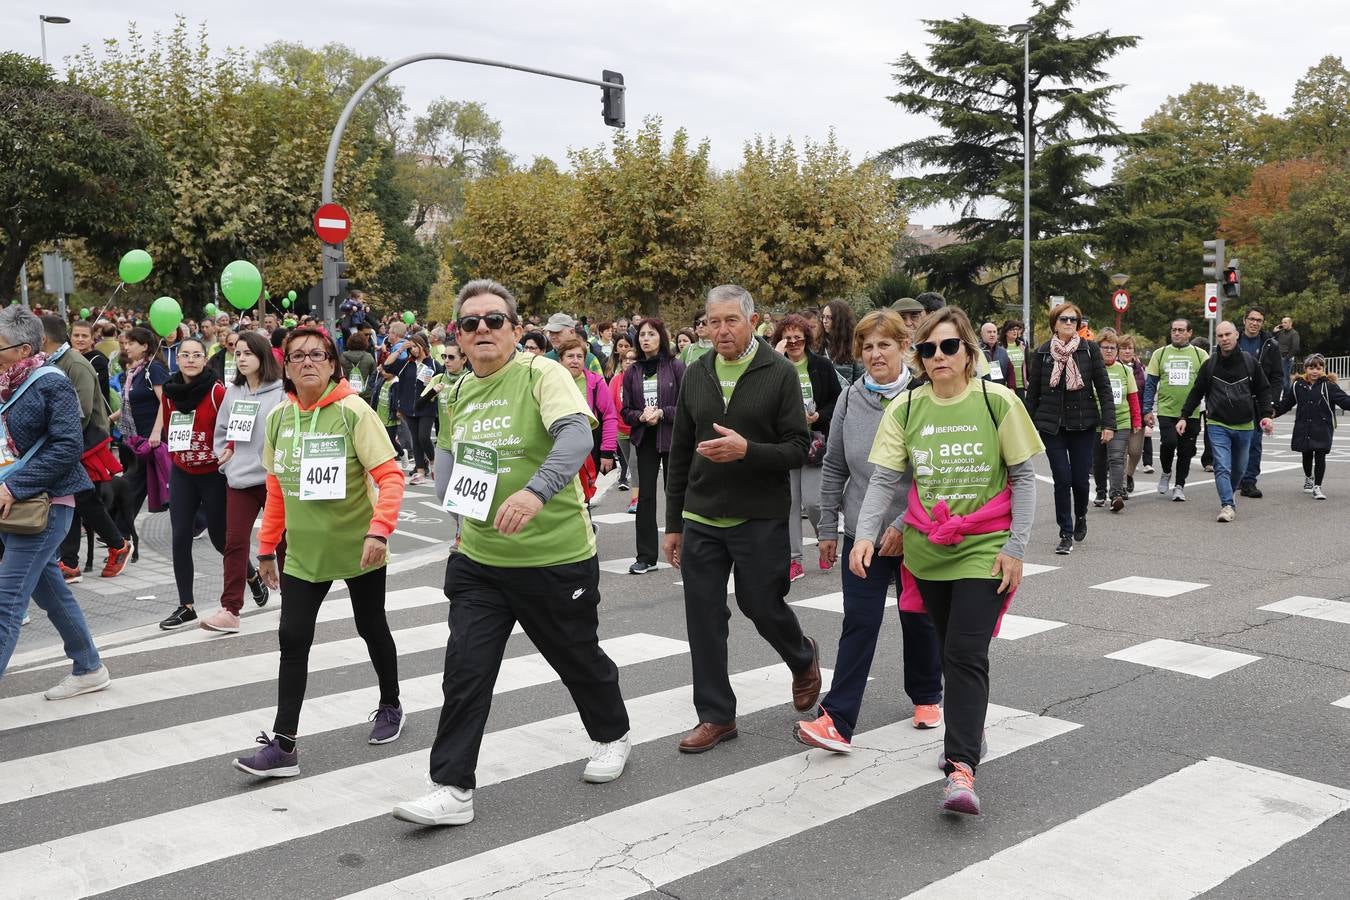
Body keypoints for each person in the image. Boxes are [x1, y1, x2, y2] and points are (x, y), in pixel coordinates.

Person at [393, 280, 632, 826]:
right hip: (480, 562)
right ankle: (452, 787)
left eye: (494, 320)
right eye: (471, 322)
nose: (482, 330)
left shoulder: (540, 373)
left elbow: (576, 439)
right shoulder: (453, 392)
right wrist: (455, 516)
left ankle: (612, 734)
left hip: (554, 557)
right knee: (465, 670)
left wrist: (535, 490)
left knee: (577, 659)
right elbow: (450, 462)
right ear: (457, 333)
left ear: (517, 330)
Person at [850, 305, 1042, 816]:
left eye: (949, 346)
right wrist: (865, 535)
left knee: (963, 652)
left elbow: (1023, 478)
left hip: (984, 545)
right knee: (946, 645)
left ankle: (961, 769)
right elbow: (886, 480)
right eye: (928, 348)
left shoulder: (997, 401)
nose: (938, 356)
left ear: (968, 353)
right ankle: (969, 733)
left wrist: (1015, 547)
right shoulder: (907, 409)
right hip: (927, 551)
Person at [232, 326, 406, 777]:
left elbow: (390, 477)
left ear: (332, 363)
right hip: (304, 555)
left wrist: (379, 531)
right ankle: (284, 745)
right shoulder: (279, 419)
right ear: (285, 368)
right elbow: (276, 490)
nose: (307, 362)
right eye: (297, 356)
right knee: (292, 640)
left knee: (371, 627)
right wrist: (267, 548)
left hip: (359, 548)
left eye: (317, 354)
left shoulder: (353, 412)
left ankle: (391, 704)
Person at [663, 284, 821, 754]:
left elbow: (798, 447)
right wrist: (673, 523)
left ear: (754, 321)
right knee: (704, 617)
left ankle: (802, 654)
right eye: (713, 321)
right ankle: (716, 716)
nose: (722, 330)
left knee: (760, 604)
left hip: (759, 515)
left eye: (731, 320)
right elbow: (679, 453)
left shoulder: (778, 373)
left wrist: (747, 450)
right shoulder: (696, 372)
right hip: (702, 515)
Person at [797, 309, 944, 754]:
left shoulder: (925, 396)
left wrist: (902, 524)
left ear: (904, 347)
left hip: (916, 530)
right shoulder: (850, 398)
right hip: (859, 530)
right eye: (867, 346)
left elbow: (934, 472)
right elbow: (835, 465)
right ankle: (837, 720)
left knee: (918, 619)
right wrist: (827, 526)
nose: (875, 354)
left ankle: (926, 695)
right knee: (859, 622)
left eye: (885, 344)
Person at [0, 305, 108, 694]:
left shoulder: (51, 382)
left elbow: (67, 446)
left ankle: (89, 668)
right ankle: (89, 667)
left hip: (45, 505)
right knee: (49, 590)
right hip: (14, 507)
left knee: (6, 601)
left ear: (23, 349)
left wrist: (14, 487)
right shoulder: (4, 384)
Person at [200, 331, 285, 633]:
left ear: (262, 356)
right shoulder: (233, 392)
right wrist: (225, 457)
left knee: (284, 542)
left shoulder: (282, 392)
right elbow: (222, 432)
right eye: (238, 353)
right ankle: (230, 609)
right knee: (233, 542)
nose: (242, 358)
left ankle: (291, 603)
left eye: (248, 352)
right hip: (239, 479)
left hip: (274, 479)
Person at [42, 317, 133, 582]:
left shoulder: (76, 364)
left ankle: (114, 546)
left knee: (80, 498)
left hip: (83, 442)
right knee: (73, 498)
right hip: (70, 442)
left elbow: (79, 413)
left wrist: (53, 437)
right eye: (76, 335)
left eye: (85, 335)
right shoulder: (57, 361)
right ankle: (72, 561)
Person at [1025, 302, 1113, 555]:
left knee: (1079, 481)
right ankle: (1065, 532)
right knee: (1062, 479)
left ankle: (1081, 516)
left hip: (1083, 425)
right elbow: (1033, 395)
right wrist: (1026, 428)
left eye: (1073, 320)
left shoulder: (1089, 350)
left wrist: (1109, 424)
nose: (1068, 323)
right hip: (1052, 425)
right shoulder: (1042, 352)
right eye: (1063, 319)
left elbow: (1104, 389)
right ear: (1054, 323)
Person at [156, 338, 228, 630]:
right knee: (180, 536)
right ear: (177, 360)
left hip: (213, 473)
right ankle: (186, 605)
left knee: (221, 539)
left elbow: (229, 426)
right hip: (183, 471)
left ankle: (251, 575)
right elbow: (171, 426)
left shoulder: (216, 390)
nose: (190, 360)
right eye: (184, 355)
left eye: (196, 355)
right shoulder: (170, 392)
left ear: (204, 359)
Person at [1177, 320, 1275, 523]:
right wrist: (1184, 416)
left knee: (1239, 468)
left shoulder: (1250, 362)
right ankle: (1227, 505)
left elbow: (1263, 390)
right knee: (1222, 465)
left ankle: (1227, 495)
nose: (1224, 339)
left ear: (1236, 335)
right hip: (1217, 423)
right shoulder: (1210, 364)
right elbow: (1197, 392)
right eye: (1220, 336)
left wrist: (1266, 415)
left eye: (1227, 334)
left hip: (1245, 424)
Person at [772, 313, 842, 580]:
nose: (792, 342)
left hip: (815, 442)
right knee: (790, 503)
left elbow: (837, 400)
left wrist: (819, 416)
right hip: (786, 442)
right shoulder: (775, 367)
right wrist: (776, 356)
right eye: (787, 338)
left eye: (797, 336)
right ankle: (794, 559)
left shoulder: (821, 366)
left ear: (806, 337)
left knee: (813, 502)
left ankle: (825, 541)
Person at [621, 317, 684, 574]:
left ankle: (684, 550)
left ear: (661, 338)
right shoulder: (631, 372)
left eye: (651, 334)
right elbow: (626, 411)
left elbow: (686, 406)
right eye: (642, 335)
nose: (646, 338)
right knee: (644, 497)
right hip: (644, 439)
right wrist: (640, 417)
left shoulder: (676, 366)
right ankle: (645, 556)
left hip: (672, 437)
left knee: (676, 493)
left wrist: (662, 413)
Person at [1143, 319, 1207, 502]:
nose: (1177, 333)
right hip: (1166, 410)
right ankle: (1166, 472)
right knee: (1169, 443)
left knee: (1186, 451)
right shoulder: (1160, 354)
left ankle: (1179, 485)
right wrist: (1147, 409)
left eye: (1181, 330)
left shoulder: (1200, 354)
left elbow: (1208, 382)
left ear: (1189, 333)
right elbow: (1151, 384)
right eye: (1174, 330)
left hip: (1191, 412)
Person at [1272, 354, 1350, 500]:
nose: (1315, 371)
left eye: (1319, 368)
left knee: (1320, 455)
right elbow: (1286, 404)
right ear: (1305, 369)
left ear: (1324, 370)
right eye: (1311, 367)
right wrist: (1270, 414)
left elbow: (1345, 401)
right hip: (1303, 426)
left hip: (1322, 427)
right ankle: (1309, 478)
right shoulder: (1298, 385)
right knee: (1306, 455)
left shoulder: (1329, 386)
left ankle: (1317, 487)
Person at [556, 337, 617, 502]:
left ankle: (586, 525)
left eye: (579, 356)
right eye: (570, 356)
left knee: (584, 495)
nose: (575, 361)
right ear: (560, 359)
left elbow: (610, 416)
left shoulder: (595, 382)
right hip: (558, 445)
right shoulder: (550, 382)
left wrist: (607, 451)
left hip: (590, 446)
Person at [120, 326, 171, 521]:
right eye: (125, 343)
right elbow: (131, 404)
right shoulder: (134, 372)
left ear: (145, 346)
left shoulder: (154, 369)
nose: (126, 347)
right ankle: (120, 528)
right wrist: (109, 419)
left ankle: (119, 529)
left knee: (135, 481)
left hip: (152, 438)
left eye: (131, 343)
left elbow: (165, 402)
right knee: (138, 482)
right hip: (138, 437)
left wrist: (157, 432)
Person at [1235, 306, 1284, 499]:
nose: (1255, 323)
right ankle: (1237, 477)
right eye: (1252, 319)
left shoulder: (1270, 345)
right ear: (1245, 320)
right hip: (1234, 399)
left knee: (1254, 443)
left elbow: (1278, 376)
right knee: (1235, 442)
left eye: (1259, 320)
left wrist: (1272, 403)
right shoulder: (1232, 340)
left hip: (1259, 400)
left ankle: (1249, 482)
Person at [1091, 329, 1140, 512]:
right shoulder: (1092, 370)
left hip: (1121, 421)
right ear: (1099, 349)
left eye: (1113, 348)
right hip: (1097, 422)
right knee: (1099, 460)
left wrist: (1136, 420)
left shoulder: (1125, 370)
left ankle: (1116, 495)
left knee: (1117, 458)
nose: (1109, 351)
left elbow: (1133, 397)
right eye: (1105, 347)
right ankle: (1101, 491)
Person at [385, 333, 439, 485]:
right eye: (412, 347)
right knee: (415, 439)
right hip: (409, 407)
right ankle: (420, 472)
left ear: (423, 346)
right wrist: (401, 348)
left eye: (416, 346)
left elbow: (442, 380)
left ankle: (434, 462)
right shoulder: (405, 364)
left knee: (423, 436)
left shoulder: (433, 364)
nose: (414, 350)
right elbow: (387, 365)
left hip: (427, 406)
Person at [429, 342, 468, 507]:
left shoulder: (471, 380)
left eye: (451, 357)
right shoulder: (439, 378)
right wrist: (433, 391)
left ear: (464, 359)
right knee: (442, 492)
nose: (446, 361)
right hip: (444, 443)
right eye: (444, 356)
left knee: (464, 495)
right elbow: (419, 405)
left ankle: (461, 530)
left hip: (465, 445)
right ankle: (459, 523)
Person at [1118, 334, 1152, 492]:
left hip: (1137, 417)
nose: (1126, 351)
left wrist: (1147, 412)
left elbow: (1148, 392)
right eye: (1123, 348)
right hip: (1119, 417)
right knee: (1120, 453)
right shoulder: (1112, 367)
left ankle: (1129, 475)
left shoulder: (1141, 370)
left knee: (1135, 451)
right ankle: (1122, 483)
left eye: (1129, 348)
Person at [609, 345, 639, 506]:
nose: (628, 362)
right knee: (630, 463)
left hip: (638, 428)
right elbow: (610, 404)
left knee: (634, 464)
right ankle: (641, 492)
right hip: (621, 429)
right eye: (625, 359)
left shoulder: (641, 378)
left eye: (632, 359)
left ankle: (636, 499)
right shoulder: (616, 380)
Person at [821, 299, 863, 384]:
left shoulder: (855, 346)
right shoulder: (821, 344)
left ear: (839, 320)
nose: (824, 321)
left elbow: (860, 381)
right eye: (823, 317)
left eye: (829, 317)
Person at [979, 322, 1015, 386]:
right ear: (982, 334)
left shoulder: (1003, 352)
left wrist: (1011, 387)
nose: (992, 334)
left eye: (994, 332)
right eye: (989, 332)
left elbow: (1010, 371)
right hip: (981, 390)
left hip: (999, 389)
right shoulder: (975, 351)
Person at [340, 331, 376, 396]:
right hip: (365, 394)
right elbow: (374, 375)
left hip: (347, 393)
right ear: (364, 343)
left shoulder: (342, 357)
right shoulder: (369, 357)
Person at [999, 320, 1027, 399]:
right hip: (1006, 386)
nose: (1015, 331)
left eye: (1016, 329)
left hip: (1020, 385)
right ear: (1006, 332)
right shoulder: (1000, 347)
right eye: (1012, 329)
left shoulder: (1022, 346)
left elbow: (1026, 366)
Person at [1275, 315, 1301, 391]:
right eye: (1282, 322)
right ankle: (1285, 396)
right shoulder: (1281, 332)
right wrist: (1274, 332)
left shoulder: (1294, 333)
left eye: (1285, 322)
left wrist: (1286, 358)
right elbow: (1272, 341)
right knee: (1280, 377)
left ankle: (1287, 397)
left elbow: (1295, 347)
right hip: (1278, 357)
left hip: (1286, 358)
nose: (1283, 324)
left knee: (1285, 378)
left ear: (1290, 323)